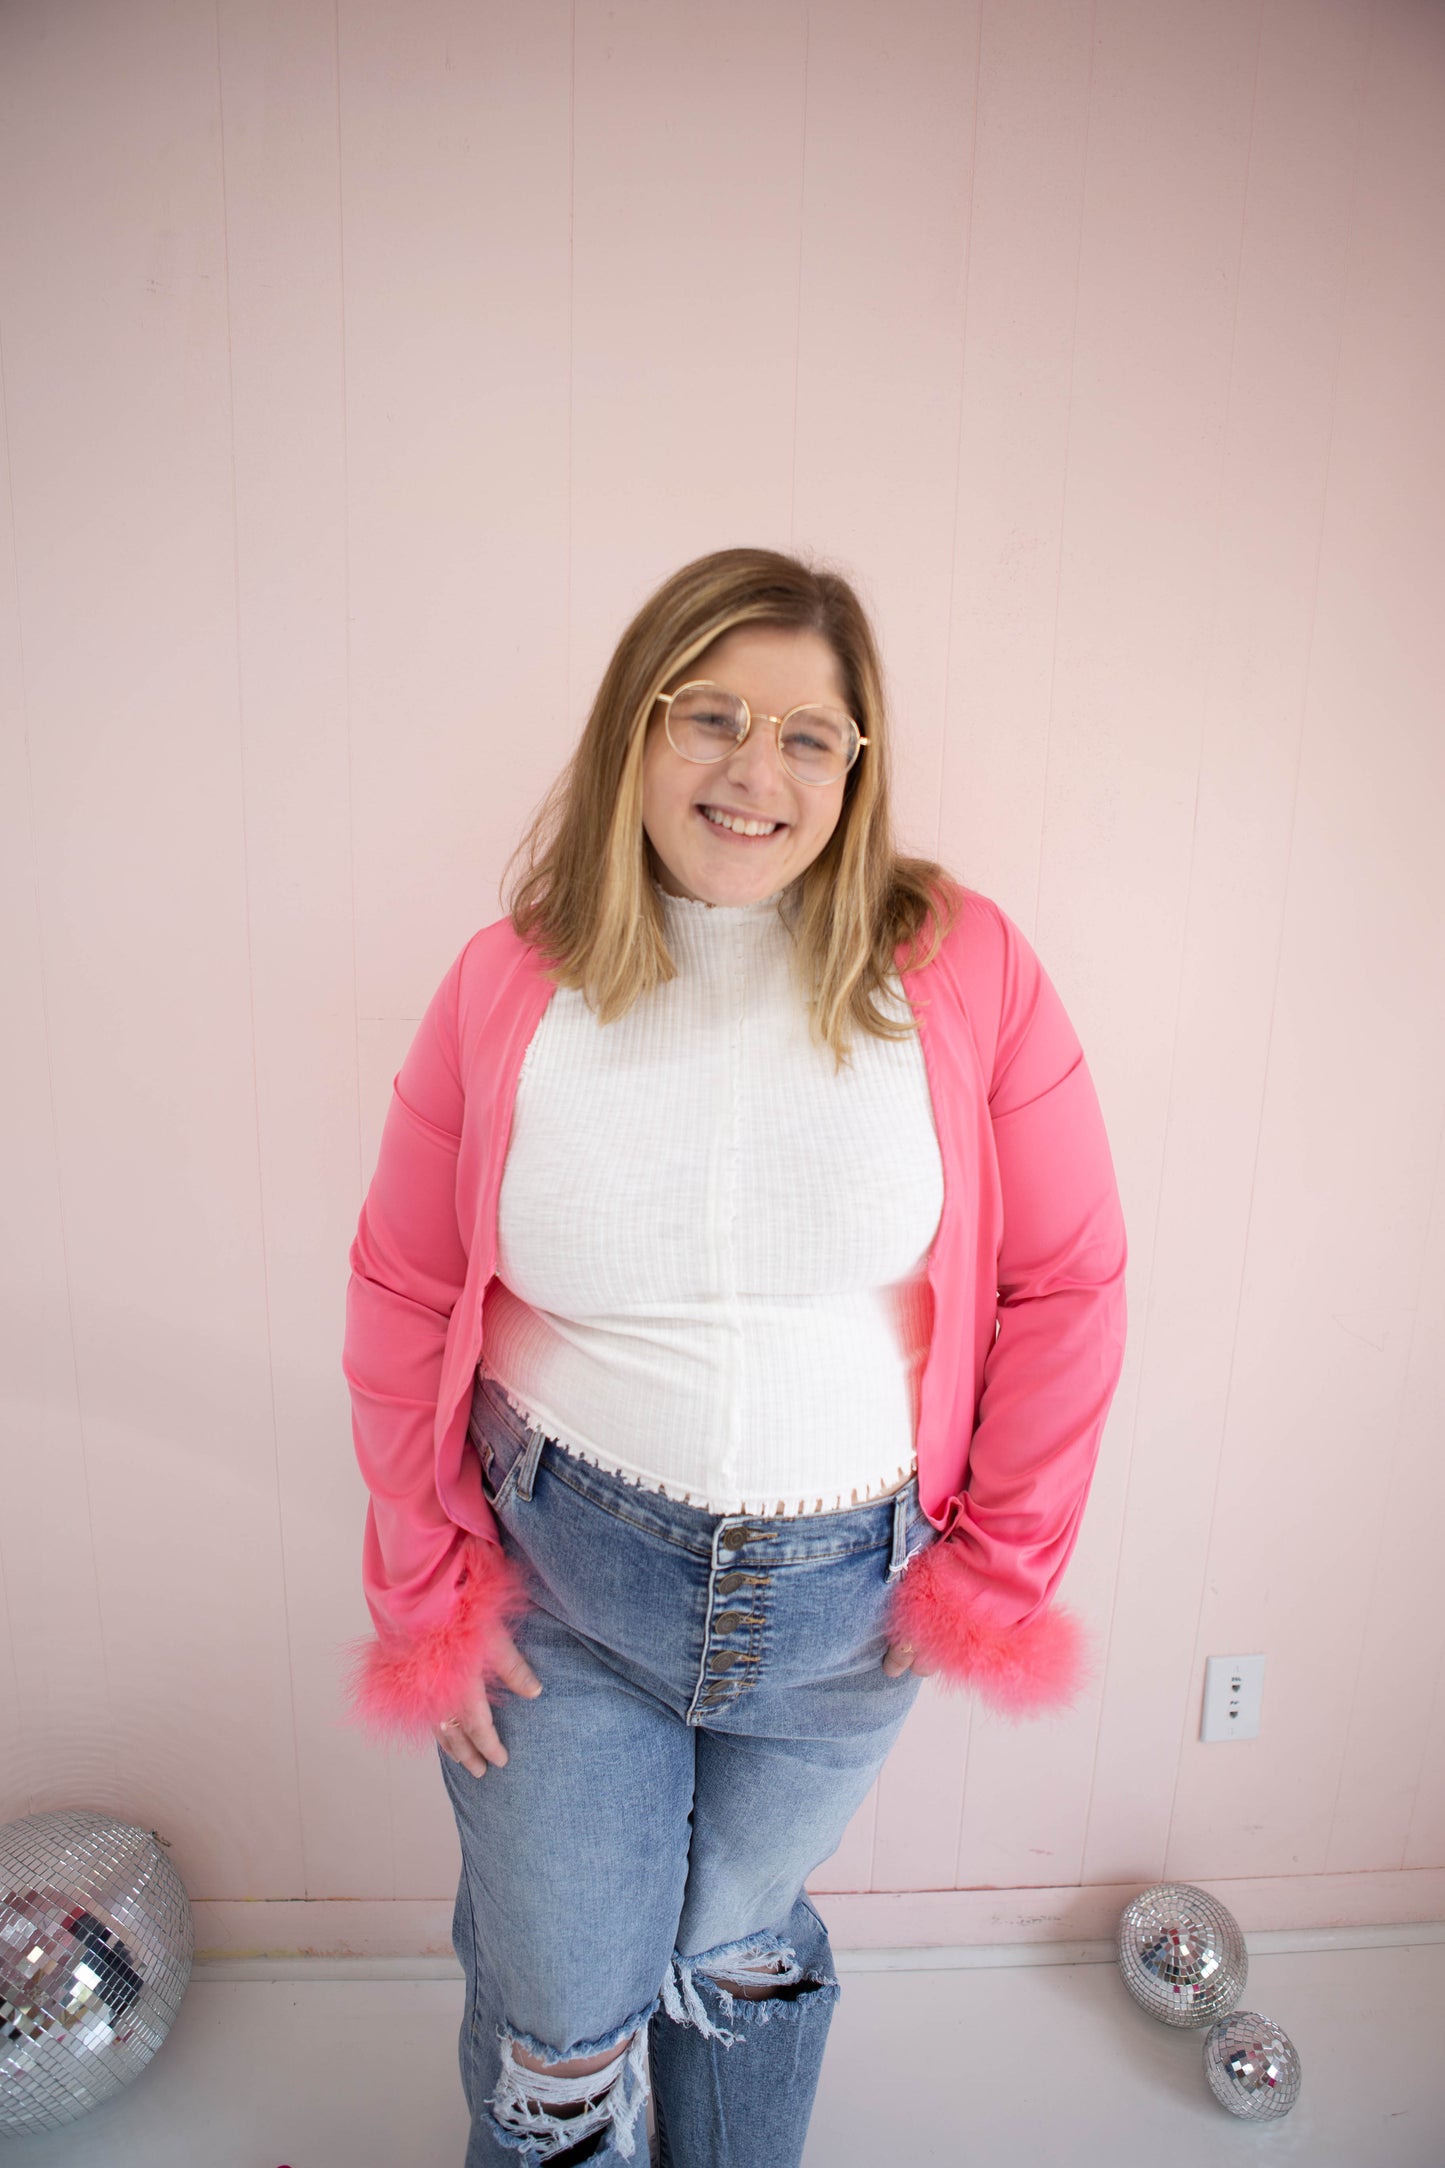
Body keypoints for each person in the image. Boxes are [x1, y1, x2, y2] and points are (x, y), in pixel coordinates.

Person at [340, 546, 1128, 2167]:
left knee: (729, 1946)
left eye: (807, 735)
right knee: (566, 2011)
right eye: (708, 716)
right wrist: (421, 1578)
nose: (753, 772)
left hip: (849, 1611)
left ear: (858, 765)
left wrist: (1000, 1568)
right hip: (565, 1583)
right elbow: (404, 1286)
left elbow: (1066, 1280)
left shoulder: (959, 966)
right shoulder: (508, 985)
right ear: (633, 729)